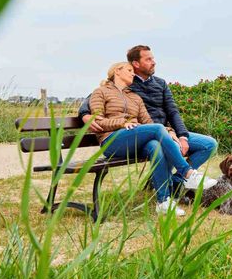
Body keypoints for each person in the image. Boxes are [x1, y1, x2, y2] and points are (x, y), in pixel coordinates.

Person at [80, 44, 218, 195]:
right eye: (148, 59)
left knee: (209, 144)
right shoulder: (128, 84)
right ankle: (181, 179)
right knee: (160, 141)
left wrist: (182, 136)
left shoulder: (160, 83)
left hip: (164, 131)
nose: (154, 62)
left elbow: (173, 111)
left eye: (153, 58)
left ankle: (177, 181)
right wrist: (84, 113)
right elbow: (98, 95)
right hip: (144, 133)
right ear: (136, 63)